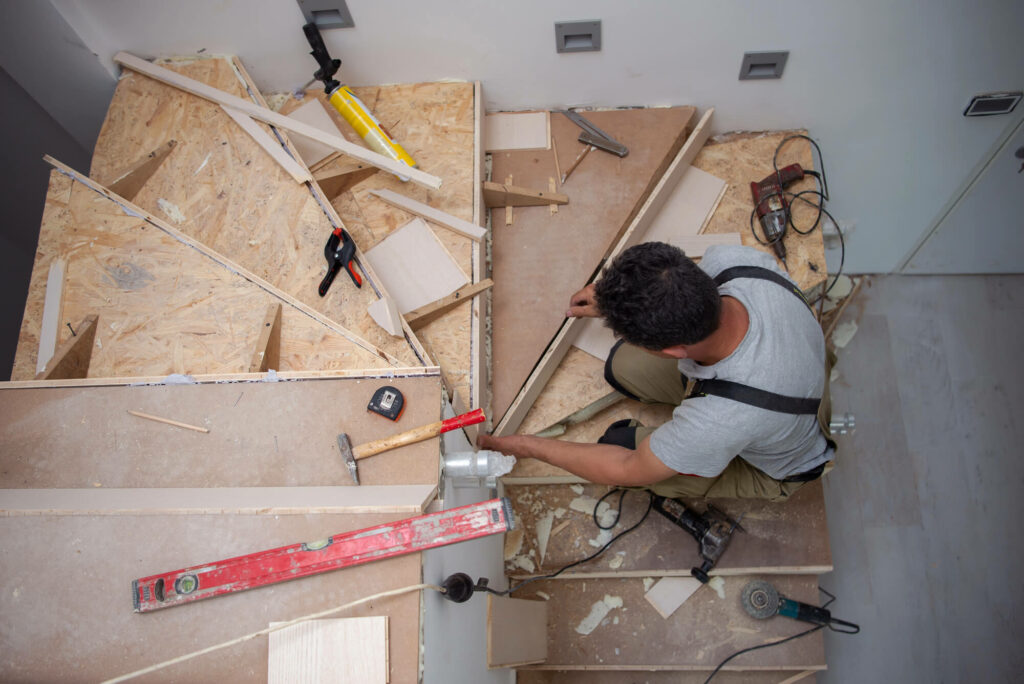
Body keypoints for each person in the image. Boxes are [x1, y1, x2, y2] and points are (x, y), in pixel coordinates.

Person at [478, 241, 834, 501]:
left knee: (620, 445)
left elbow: (626, 467)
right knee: (623, 367)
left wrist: (530, 446)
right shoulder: (732, 263)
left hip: (783, 456)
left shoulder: (721, 421)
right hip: (794, 367)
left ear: (673, 351)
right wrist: (614, 297)